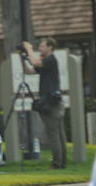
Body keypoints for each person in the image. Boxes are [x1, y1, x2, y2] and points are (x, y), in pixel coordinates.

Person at [22, 37, 66, 169]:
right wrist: (22, 58)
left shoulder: (50, 59)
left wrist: (29, 48)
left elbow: (35, 63)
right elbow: (30, 71)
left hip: (51, 103)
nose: (39, 48)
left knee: (53, 134)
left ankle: (57, 163)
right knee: (58, 133)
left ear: (50, 47)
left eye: (42, 46)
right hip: (52, 102)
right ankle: (61, 162)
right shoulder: (47, 62)